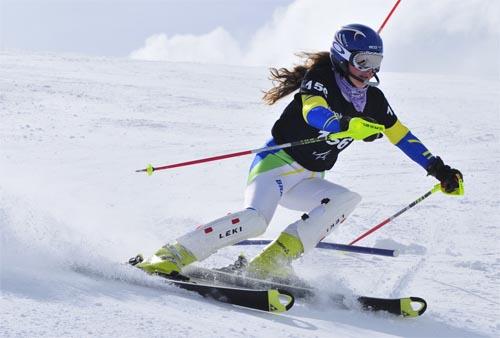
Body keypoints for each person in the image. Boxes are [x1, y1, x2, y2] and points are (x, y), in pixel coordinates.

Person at [133, 23, 463, 280]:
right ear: (343, 57)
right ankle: (172, 254)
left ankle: (272, 263)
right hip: (275, 166)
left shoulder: (374, 101)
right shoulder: (321, 79)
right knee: (255, 221)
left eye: (375, 62)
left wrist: (439, 169)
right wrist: (344, 125)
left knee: (346, 199)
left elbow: (401, 135)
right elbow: (313, 112)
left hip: (308, 178)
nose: (369, 70)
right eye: (362, 61)